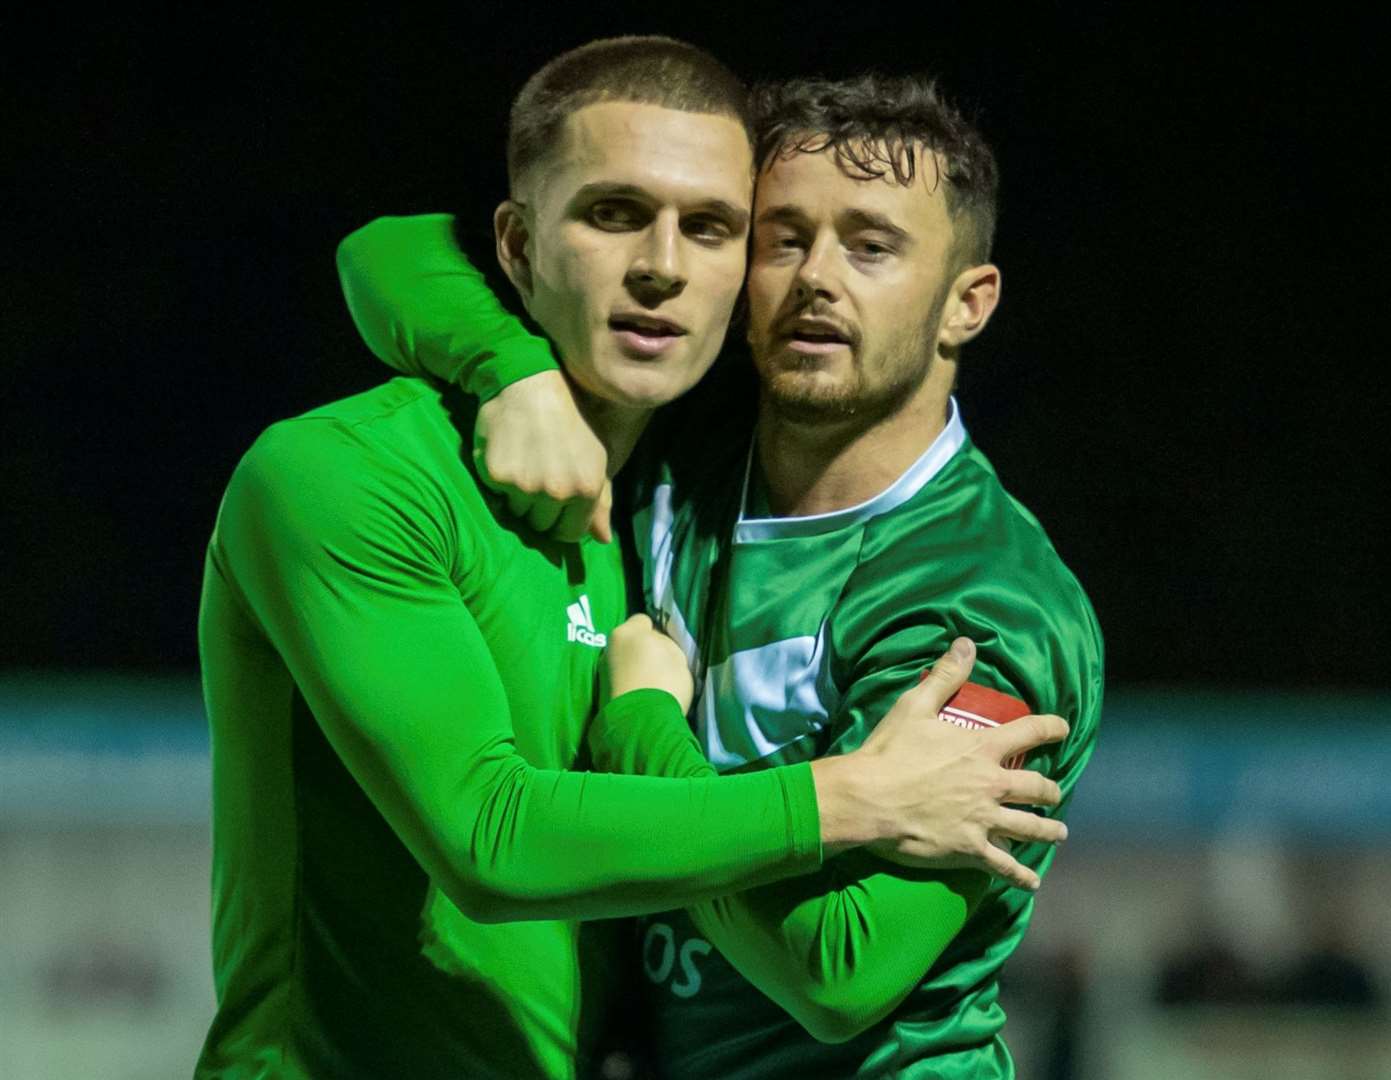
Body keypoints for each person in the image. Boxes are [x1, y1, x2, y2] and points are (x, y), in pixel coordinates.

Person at [199, 38, 1070, 1080]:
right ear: (517, 248)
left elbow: (839, 970)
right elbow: (492, 837)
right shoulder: (365, 474)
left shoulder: (971, 591)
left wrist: (647, 722)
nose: (664, 265)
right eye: (781, 239)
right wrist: (509, 368)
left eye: (710, 228)